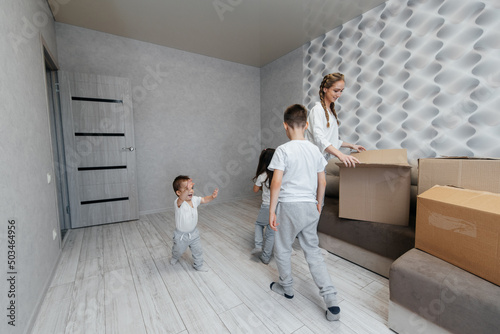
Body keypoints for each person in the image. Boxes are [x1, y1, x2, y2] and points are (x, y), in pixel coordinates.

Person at [268, 104, 341, 321]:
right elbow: (322, 181)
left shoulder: (283, 150)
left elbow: (276, 182)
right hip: (310, 207)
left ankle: (287, 288)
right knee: (313, 252)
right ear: (306, 125)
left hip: (289, 207)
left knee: (282, 248)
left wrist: (272, 210)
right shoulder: (315, 150)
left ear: (285, 126)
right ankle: (332, 302)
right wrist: (319, 204)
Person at [305, 72, 366, 167]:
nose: (339, 95)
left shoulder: (330, 113)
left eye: (341, 91)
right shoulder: (317, 110)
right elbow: (319, 138)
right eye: (336, 91)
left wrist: (351, 146)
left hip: (321, 160)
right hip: (312, 159)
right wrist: (340, 155)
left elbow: (331, 140)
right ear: (325, 89)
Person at [170, 175, 218, 272]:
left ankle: (198, 265)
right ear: (179, 192)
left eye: (191, 188)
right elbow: (181, 199)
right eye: (187, 189)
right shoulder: (178, 202)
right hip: (181, 235)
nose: (190, 190)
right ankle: (175, 257)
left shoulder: (194, 199)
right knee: (178, 250)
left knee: (198, 250)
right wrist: (186, 191)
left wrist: (212, 197)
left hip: (194, 233)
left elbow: (204, 199)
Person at [251, 148, 276, 264]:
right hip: (278, 207)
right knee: (271, 232)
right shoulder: (279, 174)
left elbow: (255, 190)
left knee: (259, 225)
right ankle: (266, 257)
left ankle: (258, 245)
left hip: (267, 206)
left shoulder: (262, 175)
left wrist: (262, 186)